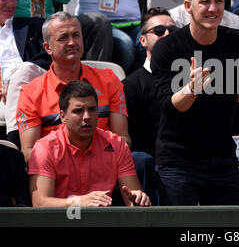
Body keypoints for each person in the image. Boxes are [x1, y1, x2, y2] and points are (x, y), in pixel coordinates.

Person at [151, 0, 239, 205]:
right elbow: (168, 107)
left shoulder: (236, 41)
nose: (213, 8)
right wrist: (191, 89)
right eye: (205, 1)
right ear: (188, 6)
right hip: (178, 161)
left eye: (218, 1)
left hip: (223, 159)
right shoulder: (168, 48)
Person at [14, 11, 155, 200]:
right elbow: (29, 153)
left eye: (76, 35)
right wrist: (75, 164)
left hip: (106, 163)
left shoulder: (109, 80)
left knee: (142, 161)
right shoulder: (31, 92)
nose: (72, 42)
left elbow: (123, 138)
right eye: (63, 37)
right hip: (56, 169)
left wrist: (92, 163)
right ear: (47, 47)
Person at [28, 80, 151, 207]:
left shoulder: (116, 144)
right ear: (63, 116)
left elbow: (132, 202)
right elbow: (39, 204)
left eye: (92, 109)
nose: (87, 116)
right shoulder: (45, 148)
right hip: (61, 223)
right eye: (78, 111)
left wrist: (138, 200)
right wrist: (78, 202)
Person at [0, 0, 51, 145]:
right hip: (3, 95)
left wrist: (13, 77)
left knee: (24, 69)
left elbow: (48, 56)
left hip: (33, 87)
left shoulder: (34, 26)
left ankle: (14, 142)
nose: (10, 3)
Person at [122, 7, 177, 157]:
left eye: (172, 30)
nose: (167, 34)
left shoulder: (191, 78)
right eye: (159, 31)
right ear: (143, 40)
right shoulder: (129, 86)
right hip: (154, 167)